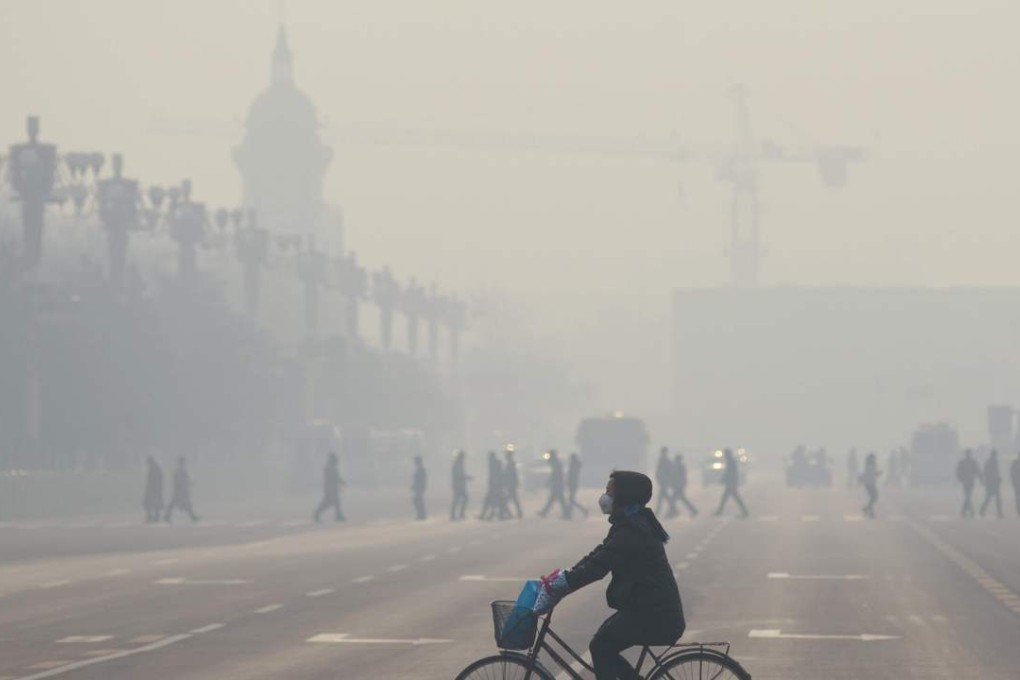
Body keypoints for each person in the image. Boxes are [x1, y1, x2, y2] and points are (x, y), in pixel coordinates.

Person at [533, 470, 685, 680]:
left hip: (656, 613)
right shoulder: (629, 524)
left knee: (601, 646)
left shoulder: (632, 531)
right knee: (603, 645)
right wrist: (567, 575)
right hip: (648, 607)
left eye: (609, 492)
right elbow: (599, 555)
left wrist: (565, 585)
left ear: (624, 496)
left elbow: (599, 567)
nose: (605, 497)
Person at [713, 449, 748, 518]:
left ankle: (720, 511)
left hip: (731, 483)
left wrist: (723, 480)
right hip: (731, 483)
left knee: (729, 498)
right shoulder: (731, 461)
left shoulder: (731, 462)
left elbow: (729, 473)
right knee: (731, 498)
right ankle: (744, 511)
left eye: (725, 454)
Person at [163, 456, 198, 523]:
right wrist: (190, 484)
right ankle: (192, 516)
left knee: (176, 504)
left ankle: (167, 516)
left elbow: (182, 481)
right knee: (182, 504)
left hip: (180, 490)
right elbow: (182, 481)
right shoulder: (180, 471)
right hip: (180, 491)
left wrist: (189, 483)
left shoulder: (179, 471)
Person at [314, 452, 346, 523]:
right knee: (327, 503)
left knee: (336, 502)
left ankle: (338, 515)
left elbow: (336, 477)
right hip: (330, 489)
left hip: (333, 489)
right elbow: (334, 477)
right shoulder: (329, 468)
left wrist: (341, 482)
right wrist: (340, 481)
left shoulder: (332, 467)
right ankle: (316, 514)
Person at [538, 449, 570, 519]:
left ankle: (567, 514)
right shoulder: (556, 463)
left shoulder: (556, 464)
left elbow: (554, 475)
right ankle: (545, 512)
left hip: (557, 485)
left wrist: (548, 482)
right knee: (555, 500)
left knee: (558, 500)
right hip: (558, 484)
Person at [479, 451, 505, 520]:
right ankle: (497, 515)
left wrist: (495, 485)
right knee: (496, 501)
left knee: (492, 501)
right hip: (495, 487)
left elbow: (496, 476)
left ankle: (489, 515)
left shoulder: (494, 465)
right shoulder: (495, 464)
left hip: (495, 487)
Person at [671, 453, 698, 517]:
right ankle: (693, 510)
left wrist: (679, 486)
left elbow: (681, 477)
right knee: (682, 499)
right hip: (678, 486)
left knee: (674, 500)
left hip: (679, 486)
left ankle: (674, 512)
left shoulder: (680, 467)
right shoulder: (678, 466)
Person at [956, 449, 980, 518]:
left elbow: (977, 471)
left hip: (969, 482)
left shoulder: (967, 462)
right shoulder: (969, 462)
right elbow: (958, 472)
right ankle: (971, 511)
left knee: (967, 496)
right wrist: (960, 479)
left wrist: (981, 478)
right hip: (967, 482)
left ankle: (963, 510)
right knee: (968, 496)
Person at [979, 449, 1003, 519]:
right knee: (995, 498)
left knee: (991, 498)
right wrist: (998, 479)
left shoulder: (990, 462)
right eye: (995, 454)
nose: (995, 456)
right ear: (993, 455)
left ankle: (983, 510)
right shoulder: (993, 462)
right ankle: (999, 512)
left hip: (991, 483)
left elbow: (987, 472)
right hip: (992, 483)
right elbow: (993, 472)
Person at [654, 447, 677, 517]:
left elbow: (670, 472)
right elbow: (658, 471)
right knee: (664, 497)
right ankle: (673, 510)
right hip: (663, 482)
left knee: (662, 498)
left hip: (665, 482)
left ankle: (658, 512)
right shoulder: (662, 460)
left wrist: (669, 481)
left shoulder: (666, 461)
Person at [566, 452, 589, 518]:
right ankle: (569, 514)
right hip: (573, 484)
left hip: (573, 484)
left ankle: (584, 510)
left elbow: (571, 475)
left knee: (571, 500)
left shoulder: (574, 465)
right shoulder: (575, 465)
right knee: (571, 500)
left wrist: (568, 482)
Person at [450, 450, 471, 521]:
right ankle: (456, 514)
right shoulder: (457, 464)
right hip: (459, 485)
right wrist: (467, 477)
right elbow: (459, 475)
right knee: (459, 499)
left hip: (460, 485)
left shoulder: (459, 464)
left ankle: (457, 514)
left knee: (459, 499)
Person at [503, 448, 523, 519]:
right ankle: (519, 512)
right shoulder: (511, 464)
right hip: (512, 484)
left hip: (511, 484)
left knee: (506, 500)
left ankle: (509, 513)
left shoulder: (510, 464)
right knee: (514, 499)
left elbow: (511, 475)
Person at [143, 456, 164, 523]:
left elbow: (152, 480)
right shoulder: (156, 467)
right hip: (155, 489)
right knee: (153, 503)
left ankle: (152, 516)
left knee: (149, 503)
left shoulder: (154, 468)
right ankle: (155, 516)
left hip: (153, 489)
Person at [860, 452, 881, 518]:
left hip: (870, 483)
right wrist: (878, 473)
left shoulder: (869, 465)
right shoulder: (870, 465)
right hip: (870, 484)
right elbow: (872, 474)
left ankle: (867, 509)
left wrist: (878, 473)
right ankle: (870, 511)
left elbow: (871, 474)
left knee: (873, 497)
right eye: (873, 458)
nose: (874, 459)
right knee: (874, 497)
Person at [411, 456, 427, 520]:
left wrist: (423, 486)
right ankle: (421, 514)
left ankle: (421, 515)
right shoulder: (418, 469)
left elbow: (423, 479)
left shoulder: (421, 469)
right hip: (417, 487)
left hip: (419, 488)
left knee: (418, 501)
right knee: (417, 501)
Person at [1011, 452, 1020, 517]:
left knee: (1017, 498)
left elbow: (1012, 474)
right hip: (1017, 484)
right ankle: (1018, 510)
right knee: (1017, 498)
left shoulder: (1015, 463)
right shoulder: (1015, 463)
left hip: (1016, 483)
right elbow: (1012, 474)